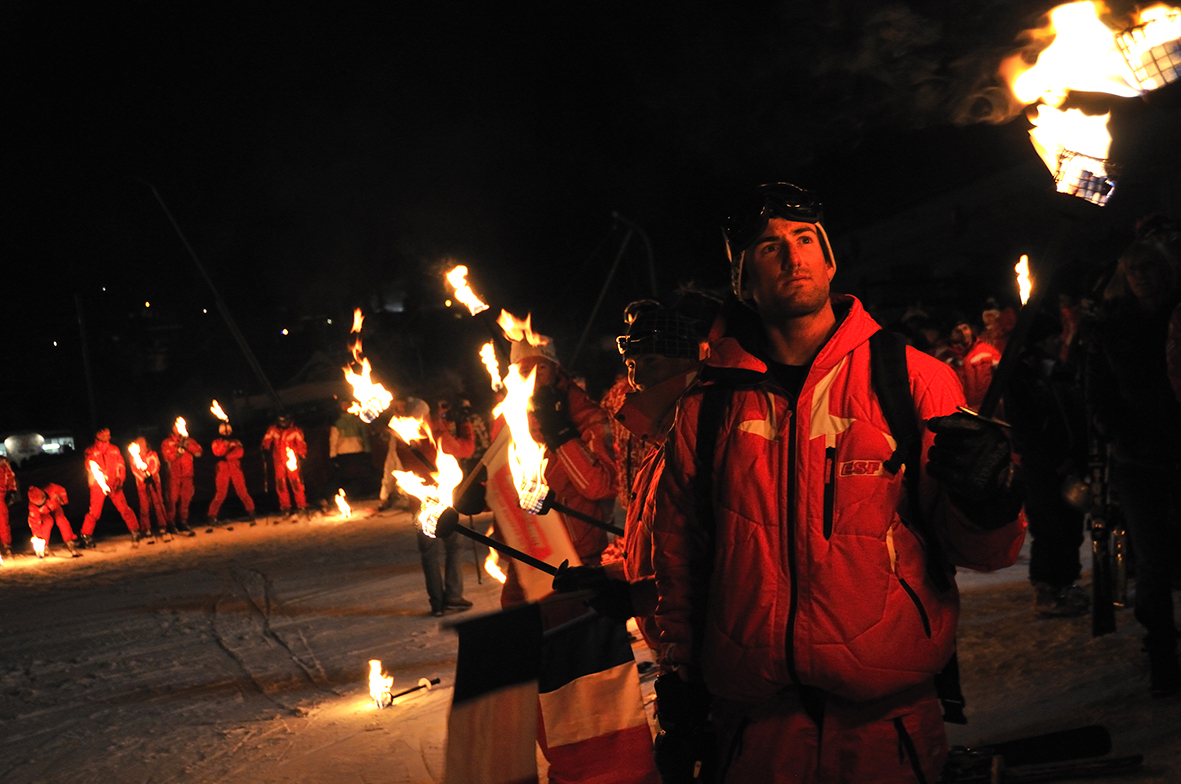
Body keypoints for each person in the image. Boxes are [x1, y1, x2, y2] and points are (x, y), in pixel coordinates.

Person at [650, 183, 1025, 782]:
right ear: (743, 279)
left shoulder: (913, 380)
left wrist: (990, 499)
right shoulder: (707, 408)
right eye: (770, 248)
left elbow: (983, 552)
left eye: (805, 241)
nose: (793, 257)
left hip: (887, 727)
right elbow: (678, 560)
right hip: (756, 732)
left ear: (829, 260)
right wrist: (681, 676)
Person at [1086, 222, 1181, 697]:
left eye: (1148, 267)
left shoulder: (1178, 316)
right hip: (1137, 458)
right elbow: (1097, 395)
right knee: (1152, 558)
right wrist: (1121, 436)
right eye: (1132, 269)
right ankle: (1162, 649)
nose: (1141, 275)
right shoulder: (1111, 327)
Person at [499, 330, 618, 623]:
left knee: (581, 641)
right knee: (523, 630)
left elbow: (601, 486)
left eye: (542, 367)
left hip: (577, 553)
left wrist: (562, 434)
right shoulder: (508, 418)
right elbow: (505, 487)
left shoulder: (585, 415)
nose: (535, 377)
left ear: (556, 368)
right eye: (526, 370)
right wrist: (477, 494)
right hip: (527, 550)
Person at [1005, 311, 1089, 617]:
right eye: (1054, 337)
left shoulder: (1062, 372)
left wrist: (1077, 458)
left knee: (1070, 528)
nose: (1059, 342)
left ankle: (1066, 582)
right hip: (1042, 469)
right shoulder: (1021, 377)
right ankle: (1046, 588)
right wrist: (1052, 461)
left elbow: (1076, 417)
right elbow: (1025, 429)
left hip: (1069, 466)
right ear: (1040, 341)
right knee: (1050, 529)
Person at [401, 397, 476, 616]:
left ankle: (436, 602)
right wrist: (464, 424)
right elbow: (467, 449)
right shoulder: (438, 438)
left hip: (419, 504)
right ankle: (453, 596)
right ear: (425, 416)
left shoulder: (402, 441)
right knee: (453, 546)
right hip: (442, 503)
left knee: (429, 554)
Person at [80, 428, 143, 548]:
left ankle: (135, 530)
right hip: (98, 485)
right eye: (105, 434)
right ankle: (86, 535)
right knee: (94, 512)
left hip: (114, 483)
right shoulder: (90, 451)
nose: (108, 436)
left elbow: (121, 465)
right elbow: (89, 464)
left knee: (124, 508)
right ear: (99, 435)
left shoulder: (114, 449)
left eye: (109, 434)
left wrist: (120, 479)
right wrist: (99, 475)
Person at [946, 317, 1000, 412]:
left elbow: (1004, 376)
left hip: (990, 409)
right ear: (951, 336)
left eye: (965, 328)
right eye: (957, 331)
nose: (963, 333)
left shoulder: (987, 351)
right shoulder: (947, 360)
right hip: (963, 412)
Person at [261, 413, 309, 518]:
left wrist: (301, 454)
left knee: (296, 482)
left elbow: (301, 443)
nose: (283, 423)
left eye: (285, 421)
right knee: (280, 484)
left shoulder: (295, 430)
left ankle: (301, 505)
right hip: (278, 460)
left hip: (291, 460)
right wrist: (265, 449)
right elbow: (266, 440)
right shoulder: (273, 430)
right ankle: (285, 507)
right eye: (281, 421)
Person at [207, 422, 255, 524]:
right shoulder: (216, 442)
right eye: (225, 431)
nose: (227, 433)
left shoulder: (236, 441)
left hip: (235, 467)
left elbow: (240, 453)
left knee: (242, 491)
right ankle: (212, 515)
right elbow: (218, 452)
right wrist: (226, 446)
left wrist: (228, 455)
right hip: (223, 468)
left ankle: (251, 511)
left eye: (228, 431)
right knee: (220, 494)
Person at [328, 399, 373, 503]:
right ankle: (350, 495)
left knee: (355, 474)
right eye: (342, 405)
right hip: (345, 452)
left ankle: (355, 495)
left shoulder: (356, 421)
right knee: (348, 475)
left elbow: (365, 436)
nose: (344, 407)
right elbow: (333, 440)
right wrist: (333, 455)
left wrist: (367, 451)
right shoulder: (339, 422)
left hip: (354, 451)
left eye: (346, 404)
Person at [161, 419, 201, 535]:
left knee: (186, 499)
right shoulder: (167, 442)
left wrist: (187, 446)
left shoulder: (190, 441)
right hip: (174, 475)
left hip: (187, 474)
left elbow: (198, 452)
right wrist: (177, 453)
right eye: (175, 426)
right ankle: (171, 522)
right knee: (172, 500)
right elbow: (167, 457)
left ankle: (183, 521)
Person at [128, 437, 170, 539]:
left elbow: (156, 465)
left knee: (158, 503)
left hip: (154, 483)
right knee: (144, 506)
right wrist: (143, 478)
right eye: (139, 443)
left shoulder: (152, 454)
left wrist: (150, 475)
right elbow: (135, 470)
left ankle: (162, 525)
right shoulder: (134, 456)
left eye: (142, 443)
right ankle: (146, 528)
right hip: (142, 485)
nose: (141, 445)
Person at [28, 484, 81, 558]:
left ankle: (70, 541)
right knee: (48, 522)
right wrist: (39, 540)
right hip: (44, 513)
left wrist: (64, 502)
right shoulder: (33, 508)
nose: (41, 505)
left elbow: (62, 490)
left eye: (42, 503)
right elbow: (35, 524)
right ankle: (45, 545)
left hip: (55, 506)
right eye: (39, 505)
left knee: (61, 520)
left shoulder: (53, 490)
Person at [0, 455, 18, 560]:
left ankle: (6, 545)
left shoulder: (3, 463)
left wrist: (12, 491)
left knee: (3, 522)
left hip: (1, 496)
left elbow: (10, 477)